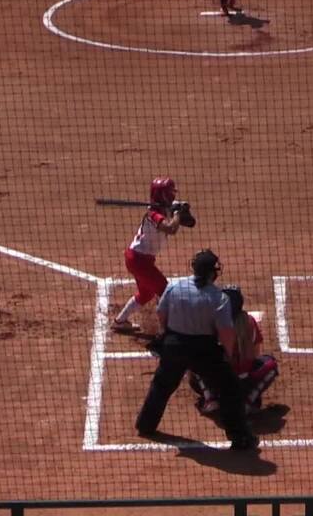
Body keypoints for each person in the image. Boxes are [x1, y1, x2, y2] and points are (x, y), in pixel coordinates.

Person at [135, 249, 258, 450]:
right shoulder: (219, 298)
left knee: (162, 385)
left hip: (174, 346)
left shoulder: (175, 287)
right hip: (204, 350)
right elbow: (225, 332)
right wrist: (226, 353)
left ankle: (145, 426)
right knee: (230, 389)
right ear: (212, 273)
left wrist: (168, 335)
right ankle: (240, 438)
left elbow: (161, 313)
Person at [113, 177, 195, 333]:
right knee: (165, 291)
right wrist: (177, 213)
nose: (172, 195)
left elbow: (191, 223)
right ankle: (168, 331)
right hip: (138, 260)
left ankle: (120, 321)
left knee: (146, 293)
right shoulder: (153, 214)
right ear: (164, 195)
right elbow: (171, 229)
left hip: (139, 259)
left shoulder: (164, 209)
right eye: (170, 192)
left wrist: (183, 210)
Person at [190, 286, 279, 415]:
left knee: (192, 357)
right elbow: (255, 354)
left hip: (215, 381)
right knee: (271, 363)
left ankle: (210, 399)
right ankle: (248, 402)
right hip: (243, 383)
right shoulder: (248, 321)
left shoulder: (208, 321)